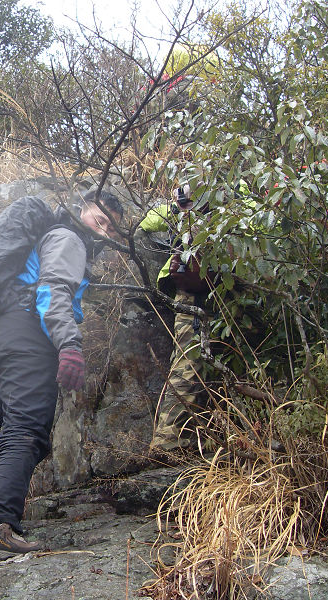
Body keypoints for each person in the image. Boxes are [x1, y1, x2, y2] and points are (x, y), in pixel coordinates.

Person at [0, 190, 122, 563]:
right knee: (24, 430)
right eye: (101, 219)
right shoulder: (68, 237)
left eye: (111, 227)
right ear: (81, 209)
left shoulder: (43, 237)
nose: (105, 230)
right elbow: (52, 291)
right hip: (27, 340)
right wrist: (69, 345)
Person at [138, 183, 213, 452]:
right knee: (187, 365)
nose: (187, 210)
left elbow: (146, 222)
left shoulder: (176, 209)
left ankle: (179, 441)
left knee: (190, 364)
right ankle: (168, 443)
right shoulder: (175, 211)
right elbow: (146, 223)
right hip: (195, 294)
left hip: (200, 292)